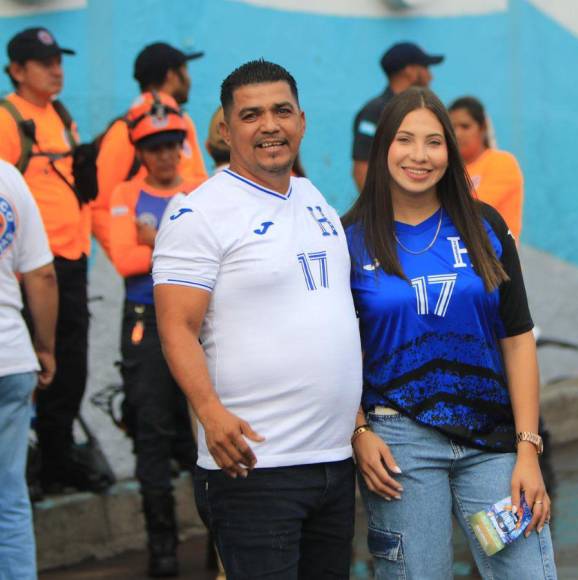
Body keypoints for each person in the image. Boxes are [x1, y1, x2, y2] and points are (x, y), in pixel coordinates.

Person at [152, 59, 362, 579]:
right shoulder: (197, 213)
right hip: (254, 467)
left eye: (281, 111)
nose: (270, 125)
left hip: (333, 464)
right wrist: (209, 411)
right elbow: (176, 328)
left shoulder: (315, 201)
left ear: (302, 121)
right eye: (251, 115)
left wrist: (356, 428)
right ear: (226, 129)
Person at [343, 87, 556, 579]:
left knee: (527, 572)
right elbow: (338, 348)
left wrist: (528, 448)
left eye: (434, 142)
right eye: (405, 140)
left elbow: (518, 337)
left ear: (451, 151)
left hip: (494, 440)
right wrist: (357, 431)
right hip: (399, 442)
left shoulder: (485, 227)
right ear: (383, 150)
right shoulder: (348, 238)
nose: (419, 156)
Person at [0, 27, 100, 494]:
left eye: (59, 60)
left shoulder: (58, 112)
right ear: (18, 70)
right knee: (36, 370)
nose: (56, 69)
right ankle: (31, 470)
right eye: (45, 62)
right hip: (31, 267)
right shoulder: (7, 118)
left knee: (69, 366)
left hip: (72, 257)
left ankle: (57, 463)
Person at [109, 93, 202, 577]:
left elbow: (215, 258)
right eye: (153, 146)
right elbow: (125, 261)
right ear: (140, 151)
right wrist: (179, 244)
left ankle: (218, 544)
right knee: (152, 434)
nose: (164, 154)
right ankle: (162, 552)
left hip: (199, 322)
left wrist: (157, 240)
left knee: (204, 433)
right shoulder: (124, 195)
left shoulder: (201, 188)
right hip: (145, 321)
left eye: (172, 144)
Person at [93, 41, 208, 255]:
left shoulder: (184, 120)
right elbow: (100, 207)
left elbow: (200, 186)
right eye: (185, 70)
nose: (189, 78)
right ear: (171, 75)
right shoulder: (125, 129)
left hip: (193, 259)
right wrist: (133, 257)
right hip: (150, 272)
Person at [0, 160, 57, 580]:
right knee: (8, 496)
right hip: (11, 354)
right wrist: (44, 348)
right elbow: (42, 274)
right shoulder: (7, 177)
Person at [351, 42, 444, 191]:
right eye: (426, 67)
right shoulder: (374, 112)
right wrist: (383, 211)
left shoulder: (424, 110)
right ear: (410, 71)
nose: (431, 76)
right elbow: (361, 169)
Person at [449, 96, 525, 241]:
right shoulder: (449, 169)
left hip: (495, 257)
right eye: (452, 128)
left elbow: (473, 211)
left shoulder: (501, 162)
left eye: (465, 126)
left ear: (483, 128)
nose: (457, 134)